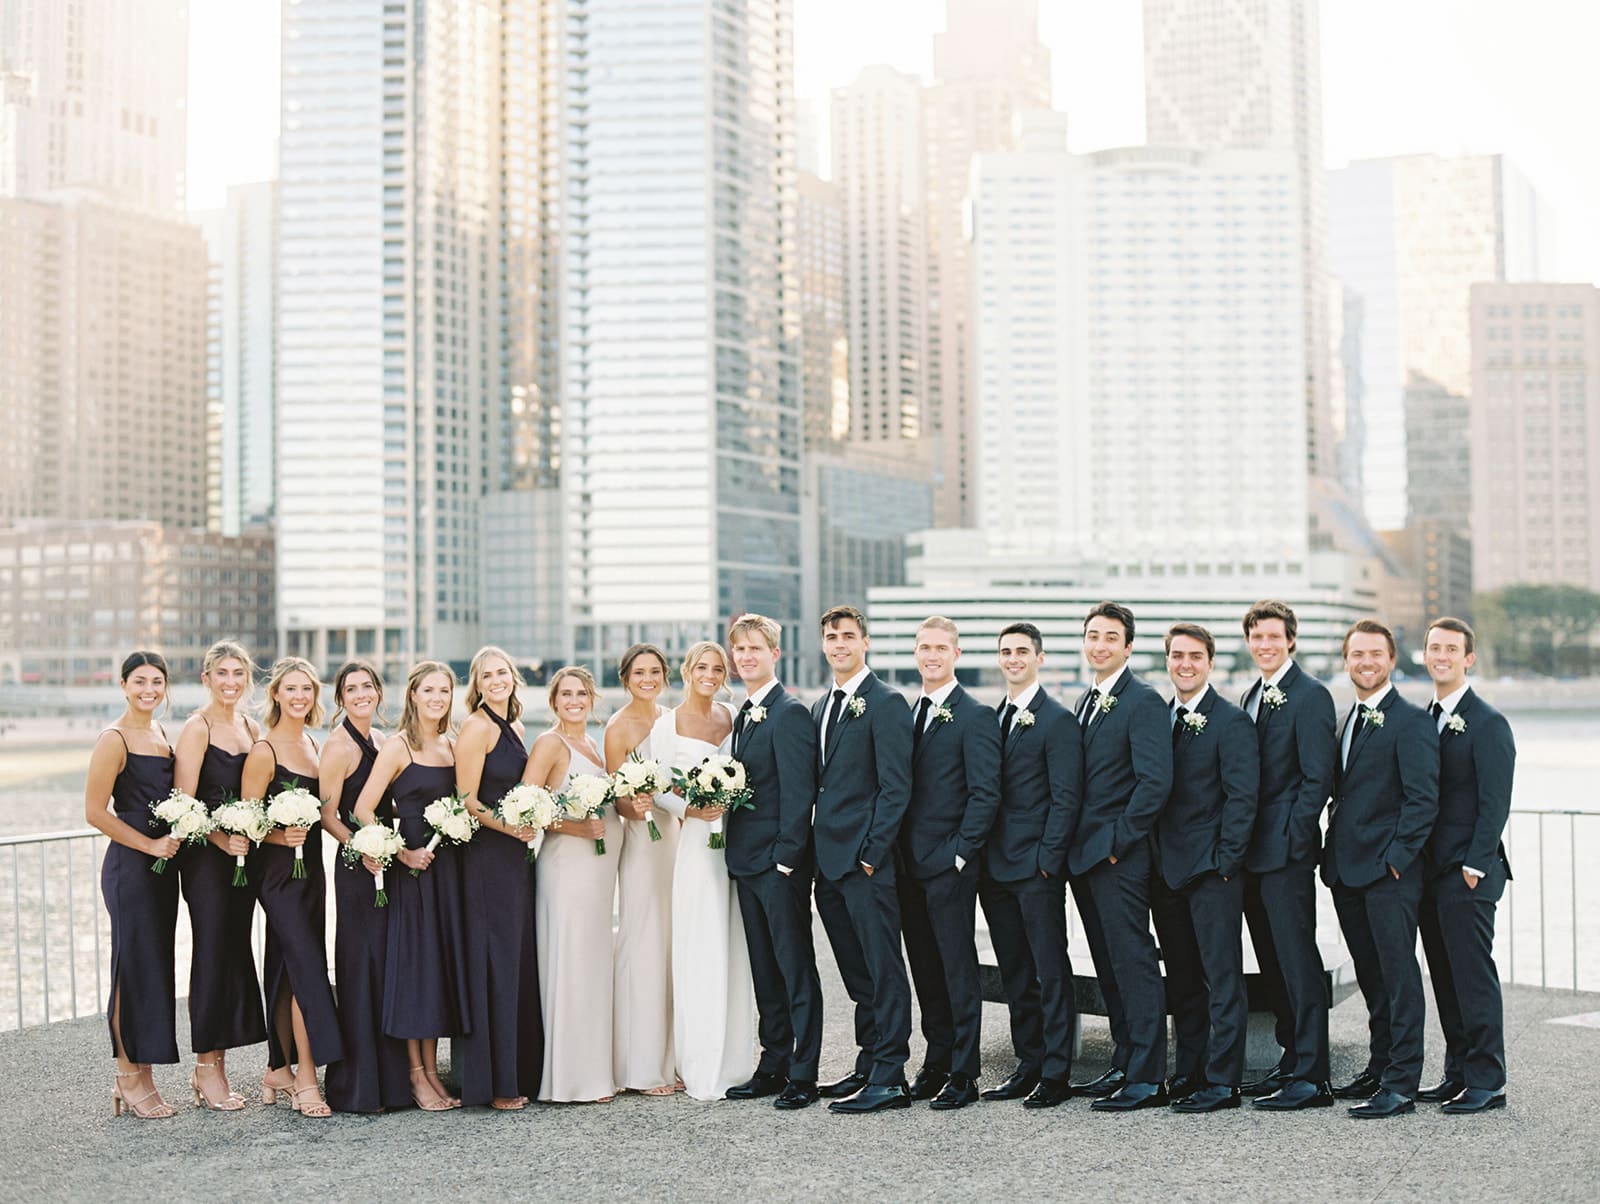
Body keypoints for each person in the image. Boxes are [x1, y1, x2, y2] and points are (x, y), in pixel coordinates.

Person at [1325, 619, 1440, 1119]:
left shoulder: (1411, 721)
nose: (1366, 662)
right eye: (1357, 655)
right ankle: (1379, 1065)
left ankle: (1402, 1082)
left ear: (1391, 660)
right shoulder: (1348, 716)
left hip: (1389, 874)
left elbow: (1422, 802)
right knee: (1371, 975)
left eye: (1376, 654)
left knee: (1398, 975)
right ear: (1346, 661)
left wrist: (1395, 861)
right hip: (1346, 870)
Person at [1066, 601, 1174, 1111]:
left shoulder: (1143, 701)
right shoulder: (1087, 701)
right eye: (1093, 636)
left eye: (1111, 637)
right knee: (1108, 963)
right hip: (1085, 858)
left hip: (1119, 858)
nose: (1100, 644)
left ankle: (1149, 1076)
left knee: (1133, 961)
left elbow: (1155, 783)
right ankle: (1125, 1058)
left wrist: (1116, 844)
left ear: (1128, 646)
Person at [1150, 623, 1258, 1112]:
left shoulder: (1231, 722)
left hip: (1212, 872)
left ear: (1211, 663)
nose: (1185, 663)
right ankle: (1189, 1070)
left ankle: (1223, 1080)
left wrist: (1225, 862)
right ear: (1167, 661)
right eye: (1177, 655)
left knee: (1222, 978)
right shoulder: (1160, 716)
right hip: (1166, 871)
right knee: (1184, 980)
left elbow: (1242, 799)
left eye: (1195, 656)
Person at [811, 604, 914, 1114]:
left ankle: (892, 1074)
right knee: (856, 972)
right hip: (827, 864)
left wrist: (872, 855)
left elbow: (897, 788)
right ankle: (869, 1059)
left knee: (883, 967)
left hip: (866, 862)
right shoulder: (820, 706)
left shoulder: (887, 702)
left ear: (865, 642)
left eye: (848, 636)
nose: (839, 644)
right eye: (831, 636)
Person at [352, 660, 467, 1112]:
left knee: (439, 970)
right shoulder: (398, 746)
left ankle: (433, 1071)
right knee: (417, 972)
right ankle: (416, 1077)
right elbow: (364, 809)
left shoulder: (454, 744)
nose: (436, 698)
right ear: (413, 696)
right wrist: (400, 853)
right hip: (415, 870)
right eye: (428, 691)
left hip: (450, 870)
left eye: (444, 691)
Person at [1237, 599, 1338, 1111]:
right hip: (1250, 855)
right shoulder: (1251, 694)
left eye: (1274, 637)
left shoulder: (1311, 696)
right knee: (1273, 964)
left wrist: (1294, 838)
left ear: (1290, 640)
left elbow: (1317, 777)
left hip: (1286, 854)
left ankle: (1312, 1075)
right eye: (1257, 637)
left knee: (1298, 962)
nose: (1265, 645)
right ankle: (1290, 1058)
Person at [897, 617, 1002, 1111]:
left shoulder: (975, 716)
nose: (932, 655)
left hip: (949, 866)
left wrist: (960, 854)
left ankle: (964, 1071)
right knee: (925, 968)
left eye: (941, 647)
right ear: (915, 654)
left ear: (956, 653)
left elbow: (986, 793)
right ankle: (936, 1059)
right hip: (907, 867)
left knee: (958, 970)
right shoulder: (910, 711)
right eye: (924, 647)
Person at [976, 622, 1080, 1110]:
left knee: (1049, 969)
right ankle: (1029, 1063)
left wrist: (1047, 861)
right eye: (1005, 652)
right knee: (1016, 970)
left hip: (1036, 868)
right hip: (995, 868)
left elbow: (1066, 798)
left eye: (1022, 651)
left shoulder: (1056, 719)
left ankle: (1057, 1072)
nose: (1013, 658)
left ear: (1039, 658)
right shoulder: (995, 714)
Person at [721, 613, 823, 1110]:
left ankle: (804, 1073)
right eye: (739, 650)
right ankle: (774, 1062)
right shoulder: (744, 713)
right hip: (745, 863)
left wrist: (786, 859)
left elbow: (801, 793)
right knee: (765, 970)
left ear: (775, 654)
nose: (745, 657)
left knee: (794, 966)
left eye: (755, 649)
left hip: (778, 867)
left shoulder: (790, 712)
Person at [1416, 617, 1514, 1114]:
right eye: (1435, 647)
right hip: (1430, 874)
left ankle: (1487, 1080)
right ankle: (1456, 1073)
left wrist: (1474, 865)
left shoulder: (1488, 722)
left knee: (1473, 977)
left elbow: (1495, 803)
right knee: (1445, 977)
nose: (1442, 656)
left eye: (1451, 649)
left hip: (1467, 875)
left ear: (1467, 658)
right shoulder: (1424, 717)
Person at [651, 640, 757, 1100]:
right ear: (688, 670)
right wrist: (691, 811)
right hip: (696, 845)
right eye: (702, 667)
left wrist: (728, 801)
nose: (710, 674)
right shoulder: (666, 723)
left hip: (736, 840)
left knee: (735, 946)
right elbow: (657, 787)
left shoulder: (732, 718)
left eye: (718, 668)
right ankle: (698, 1059)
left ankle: (735, 1059)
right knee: (699, 943)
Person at [243, 657, 344, 1118]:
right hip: (278, 876)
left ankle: (276, 1068)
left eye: (307, 688)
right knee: (307, 967)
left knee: (287, 967)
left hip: (313, 872)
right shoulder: (264, 750)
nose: (300, 696)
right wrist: (281, 835)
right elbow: (245, 822)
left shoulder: (310, 742)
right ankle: (307, 1076)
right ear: (277, 695)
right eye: (292, 689)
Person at [172, 639, 267, 1110]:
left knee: (233, 952)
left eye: (238, 674)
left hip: (244, 858)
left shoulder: (251, 726)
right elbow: (183, 804)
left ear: (247, 680)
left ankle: (218, 1064)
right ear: (206, 678)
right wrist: (219, 839)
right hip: (208, 861)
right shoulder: (197, 727)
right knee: (211, 952)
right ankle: (206, 1068)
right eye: (222, 673)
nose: (231, 682)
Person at [86, 651, 180, 1118]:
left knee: (153, 969)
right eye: (140, 681)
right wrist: (149, 847)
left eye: (157, 681)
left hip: (163, 870)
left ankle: (145, 1074)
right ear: (123, 685)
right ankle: (127, 1077)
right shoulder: (114, 738)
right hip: (131, 867)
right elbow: (95, 812)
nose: (149, 689)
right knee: (130, 967)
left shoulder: (161, 733)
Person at [319, 661, 412, 1114]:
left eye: (367, 686)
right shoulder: (337, 745)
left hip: (387, 858)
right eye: (351, 688)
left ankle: (393, 1083)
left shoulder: (381, 740)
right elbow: (328, 815)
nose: (360, 694)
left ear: (378, 692)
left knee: (386, 964)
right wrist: (362, 846)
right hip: (358, 865)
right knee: (361, 965)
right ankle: (358, 1086)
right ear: (340, 698)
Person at [455, 646, 544, 1110]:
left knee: (516, 958)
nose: (497, 680)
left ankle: (520, 1071)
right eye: (487, 674)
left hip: (515, 856)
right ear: (477, 683)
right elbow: (466, 800)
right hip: (487, 856)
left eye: (503, 672)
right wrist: (510, 827)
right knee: (494, 961)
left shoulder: (516, 727)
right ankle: (494, 1083)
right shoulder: (476, 727)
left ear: (513, 677)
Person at [528, 666, 622, 1103]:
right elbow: (524, 807)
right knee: (570, 960)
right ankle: (569, 1078)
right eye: (566, 694)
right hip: (566, 867)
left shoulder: (595, 745)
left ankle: (594, 1070)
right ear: (554, 701)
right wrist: (575, 829)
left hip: (598, 871)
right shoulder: (550, 743)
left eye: (581, 693)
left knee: (591, 961)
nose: (574, 700)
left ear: (592, 698)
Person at [606, 643, 680, 1095]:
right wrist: (638, 807)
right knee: (644, 941)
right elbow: (617, 800)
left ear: (665, 676)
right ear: (626, 678)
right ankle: (640, 1065)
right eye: (639, 672)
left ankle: (675, 1057)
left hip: (676, 838)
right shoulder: (618, 727)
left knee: (673, 945)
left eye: (654, 671)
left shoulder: (673, 719)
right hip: (642, 841)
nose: (647, 679)